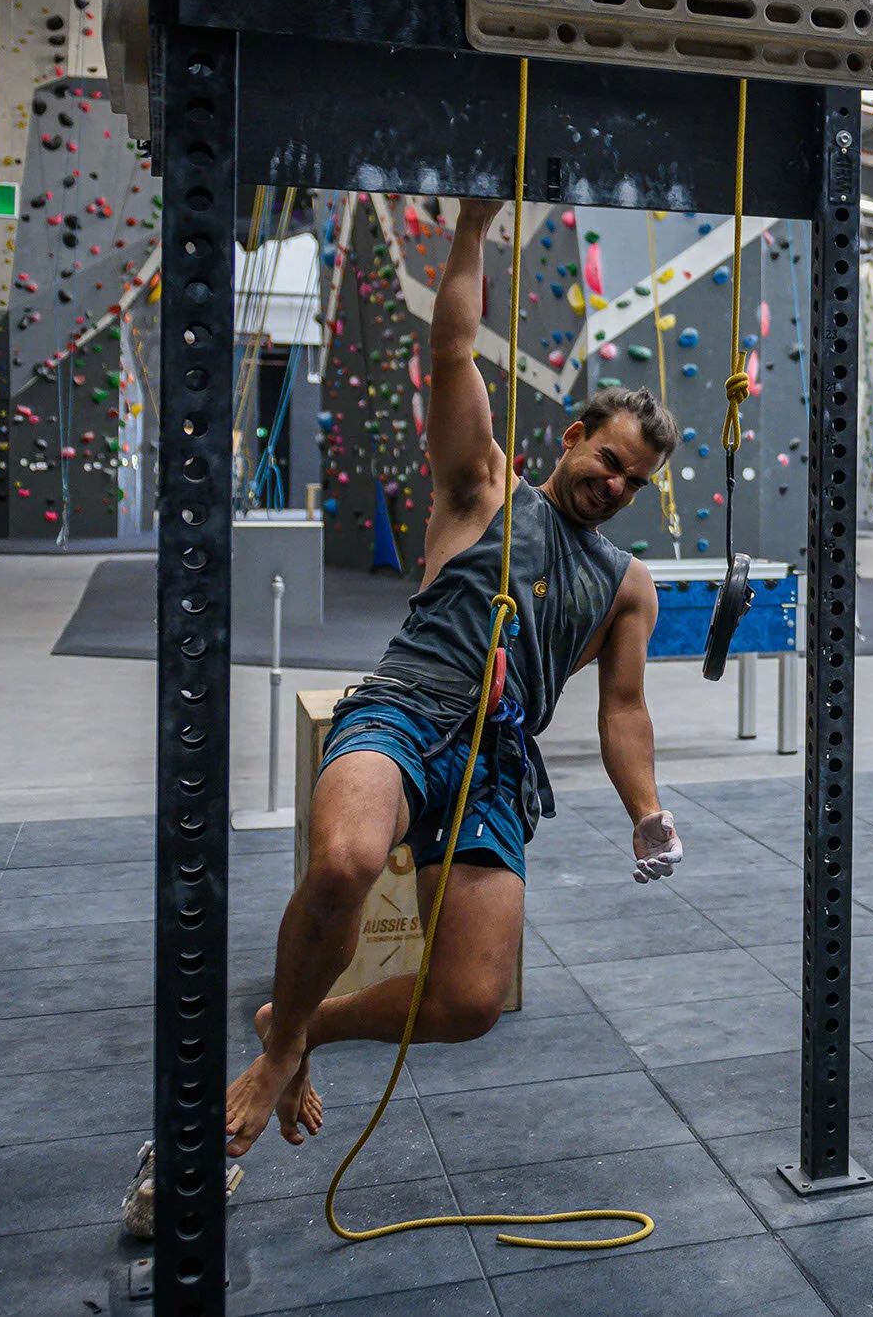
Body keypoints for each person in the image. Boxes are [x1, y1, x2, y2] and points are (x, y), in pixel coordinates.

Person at [225, 196, 683, 1157]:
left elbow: (625, 709)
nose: (615, 488)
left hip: (497, 766)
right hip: (404, 711)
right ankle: (280, 1053)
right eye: (608, 462)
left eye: (634, 483)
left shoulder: (627, 585)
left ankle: (301, 1025)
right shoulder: (482, 490)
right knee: (346, 861)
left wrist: (646, 809)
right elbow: (452, 352)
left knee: (471, 1002)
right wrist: (473, 226)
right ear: (572, 436)